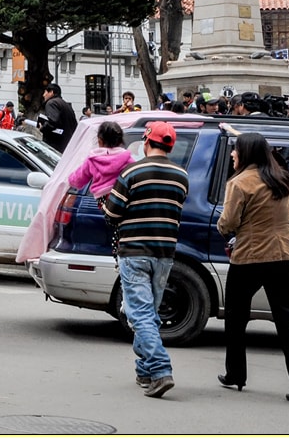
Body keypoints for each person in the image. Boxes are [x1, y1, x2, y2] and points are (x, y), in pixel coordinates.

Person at [215, 132, 289, 405]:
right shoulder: (282, 180)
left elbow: (228, 222)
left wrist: (223, 227)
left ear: (245, 154)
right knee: (288, 322)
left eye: (235, 151)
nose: (233, 154)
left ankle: (235, 373)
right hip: (284, 254)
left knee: (236, 318)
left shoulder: (239, 183)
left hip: (249, 256)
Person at [102, 121, 188, 398]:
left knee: (139, 314)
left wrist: (103, 202)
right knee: (148, 312)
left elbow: (112, 214)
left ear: (147, 143)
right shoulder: (181, 176)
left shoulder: (132, 172)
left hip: (135, 251)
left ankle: (161, 369)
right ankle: (145, 371)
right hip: (164, 253)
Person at [67, 121, 132, 203]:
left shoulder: (93, 159)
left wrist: (69, 179)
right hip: (122, 198)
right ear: (120, 141)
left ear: (99, 140)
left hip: (102, 200)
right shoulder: (127, 158)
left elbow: (78, 180)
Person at [38, 83, 77, 153]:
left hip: (55, 145)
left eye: (45, 92)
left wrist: (43, 127)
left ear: (51, 92)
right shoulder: (66, 104)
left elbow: (52, 122)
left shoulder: (51, 103)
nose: (43, 95)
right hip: (68, 143)